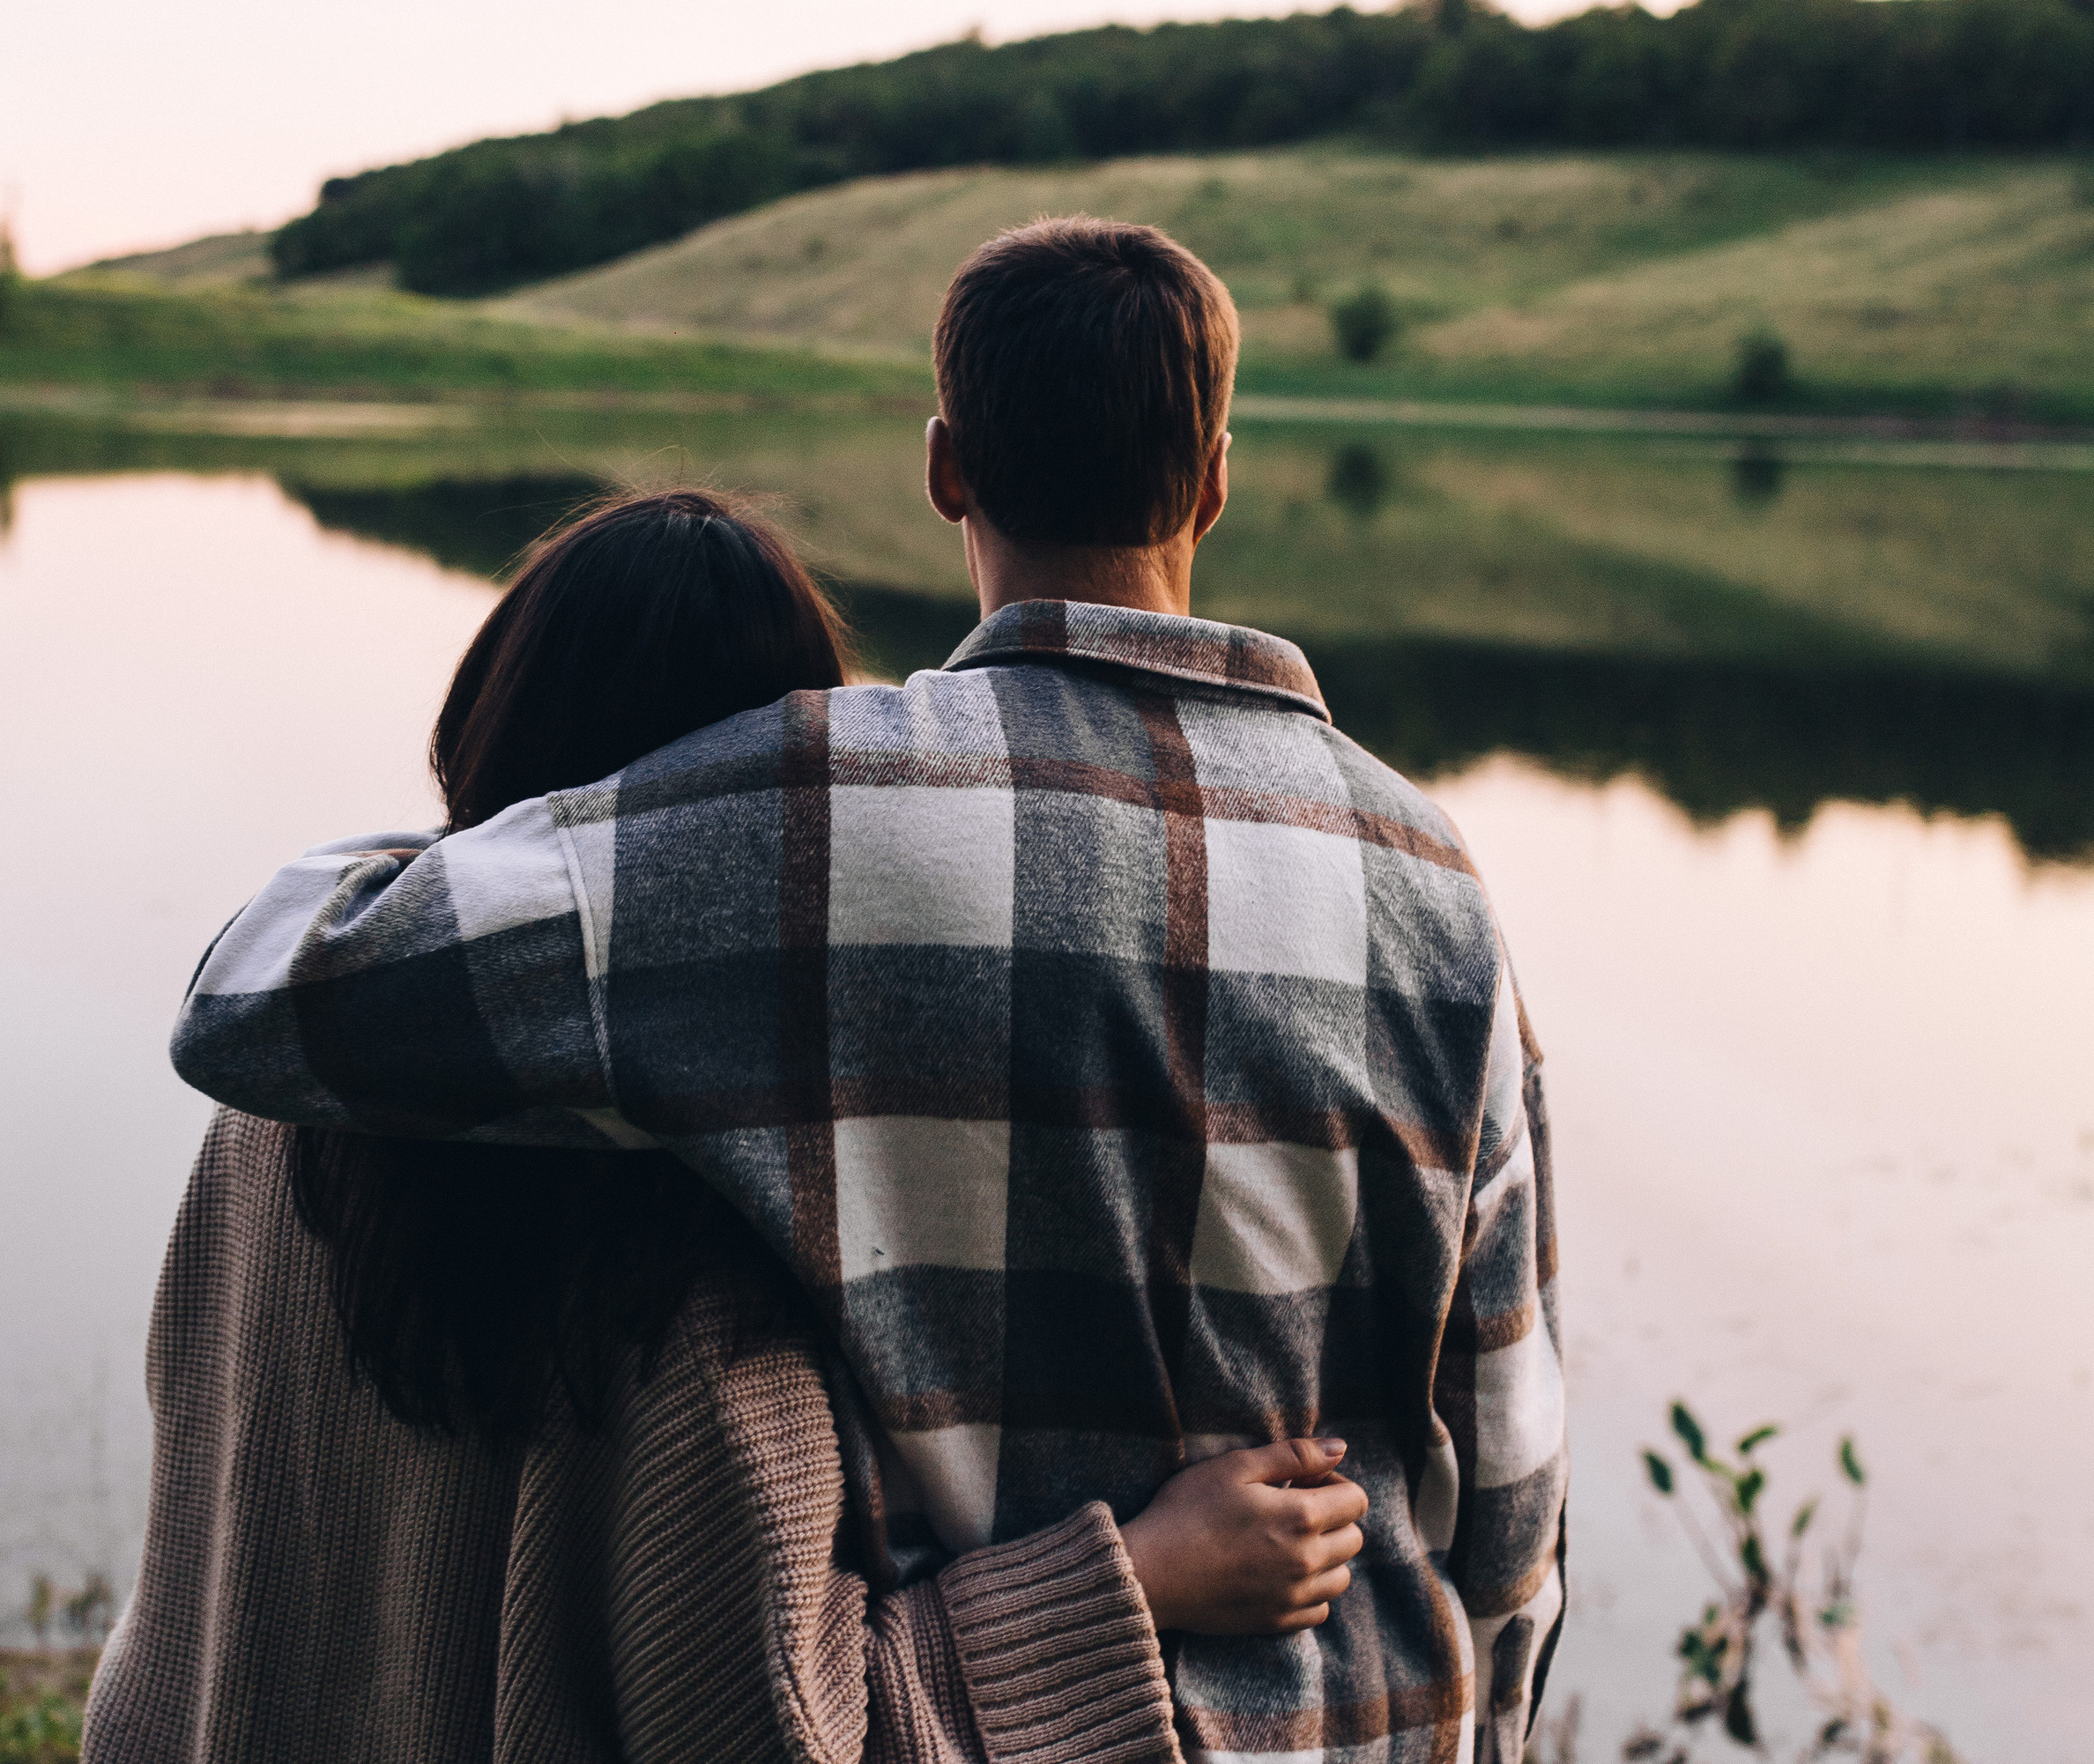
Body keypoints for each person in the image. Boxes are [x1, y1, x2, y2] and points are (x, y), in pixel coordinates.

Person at [173, 219, 1567, 1761]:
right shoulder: (1438, 883)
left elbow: (262, 996)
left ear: (945, 467)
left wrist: (518, 833)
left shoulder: (817, 823)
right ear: (1219, 474)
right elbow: (1507, 1485)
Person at [91, 491, 1372, 1764]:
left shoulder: (274, 1129)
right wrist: (1144, 1578)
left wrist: (466, 863)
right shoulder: (685, 1269)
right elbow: (797, 1731)